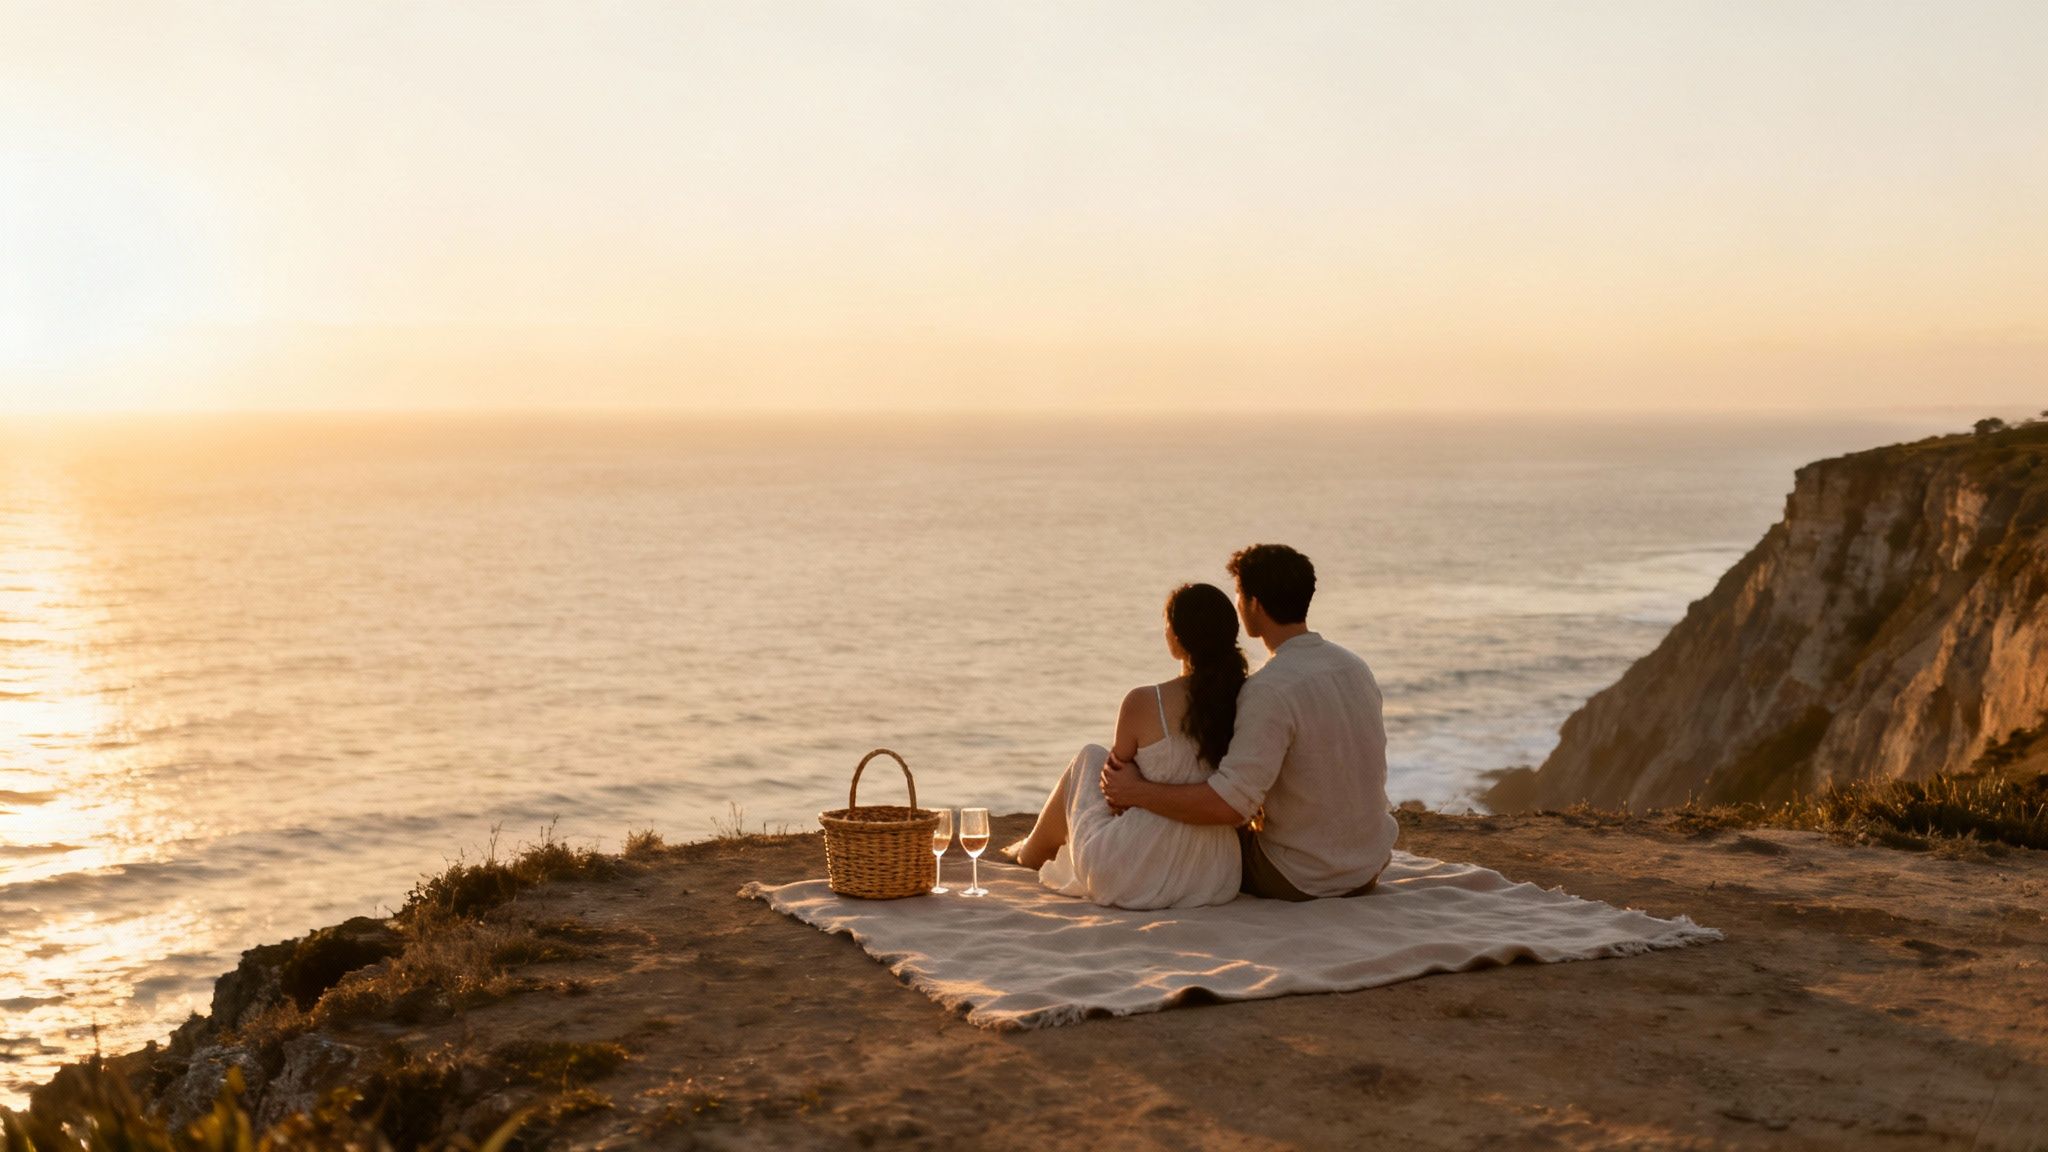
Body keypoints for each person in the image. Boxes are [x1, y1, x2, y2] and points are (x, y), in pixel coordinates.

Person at [1101, 544, 1398, 900]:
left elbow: (1227, 806)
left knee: (1198, 845)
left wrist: (1136, 791)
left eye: (1240, 595)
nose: (1239, 604)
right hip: (1367, 865)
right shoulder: (1353, 666)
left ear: (1254, 604)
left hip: (1302, 876)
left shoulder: (1269, 689)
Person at [1008, 583, 1246, 909]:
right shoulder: (1247, 698)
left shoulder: (1145, 701)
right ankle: (1032, 848)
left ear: (1176, 638)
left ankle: (1031, 852)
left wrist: (1140, 787)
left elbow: (1114, 789)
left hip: (1131, 872)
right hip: (1214, 875)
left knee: (1091, 757)